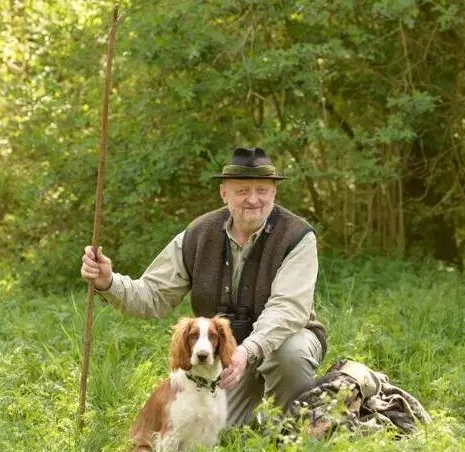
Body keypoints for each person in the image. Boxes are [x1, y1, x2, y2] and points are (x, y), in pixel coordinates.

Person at [80, 147, 327, 427]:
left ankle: (293, 430)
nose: (254, 199)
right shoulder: (199, 234)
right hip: (222, 354)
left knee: (291, 354)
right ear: (224, 193)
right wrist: (109, 282)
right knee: (221, 434)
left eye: (262, 189)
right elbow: (153, 295)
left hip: (282, 340)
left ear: (274, 193)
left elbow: (287, 309)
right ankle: (258, 421)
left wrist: (247, 351)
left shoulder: (298, 236)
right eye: (243, 190)